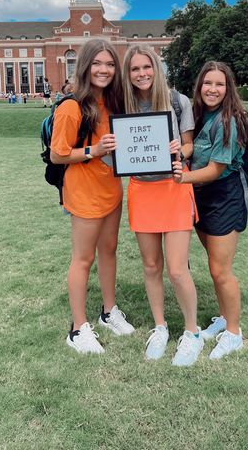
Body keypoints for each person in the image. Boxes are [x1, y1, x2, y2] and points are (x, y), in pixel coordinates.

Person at [50, 39, 134, 354]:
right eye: (97, 63)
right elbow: (58, 154)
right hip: (84, 192)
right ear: (85, 66)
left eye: (110, 64)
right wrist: (92, 151)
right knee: (83, 259)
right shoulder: (72, 106)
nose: (104, 69)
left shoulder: (113, 103)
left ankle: (108, 312)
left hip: (111, 188)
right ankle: (77, 328)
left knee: (109, 251)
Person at [122, 45, 204, 367]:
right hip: (142, 189)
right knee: (152, 266)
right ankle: (160, 327)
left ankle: (192, 332)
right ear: (128, 74)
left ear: (157, 68)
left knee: (177, 269)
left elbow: (189, 144)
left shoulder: (176, 100)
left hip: (173, 188)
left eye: (147, 67)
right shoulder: (124, 103)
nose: (141, 74)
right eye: (135, 69)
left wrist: (180, 151)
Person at [172, 61, 248, 360]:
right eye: (208, 83)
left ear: (228, 88)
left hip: (224, 196)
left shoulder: (230, 119)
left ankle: (234, 333)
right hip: (201, 198)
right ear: (199, 86)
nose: (213, 89)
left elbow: (216, 169)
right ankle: (222, 317)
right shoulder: (198, 113)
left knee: (221, 270)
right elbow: (189, 145)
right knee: (213, 264)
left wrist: (183, 177)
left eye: (219, 84)